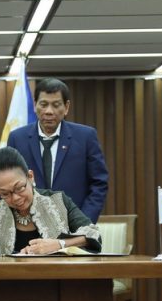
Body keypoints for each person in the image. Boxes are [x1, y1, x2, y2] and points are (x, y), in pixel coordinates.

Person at [7, 78, 108, 222]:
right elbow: (9, 183)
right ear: (35, 105)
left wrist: (84, 221)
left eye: (56, 105)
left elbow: (99, 183)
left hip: (74, 226)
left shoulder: (85, 137)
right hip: (29, 225)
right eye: (43, 104)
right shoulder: (17, 139)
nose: (49, 111)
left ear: (66, 107)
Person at [0, 146, 101, 256]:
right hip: (9, 279)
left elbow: (93, 235)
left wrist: (59, 244)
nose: (15, 198)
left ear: (30, 177)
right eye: (5, 193)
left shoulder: (57, 200)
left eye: (19, 188)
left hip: (58, 278)